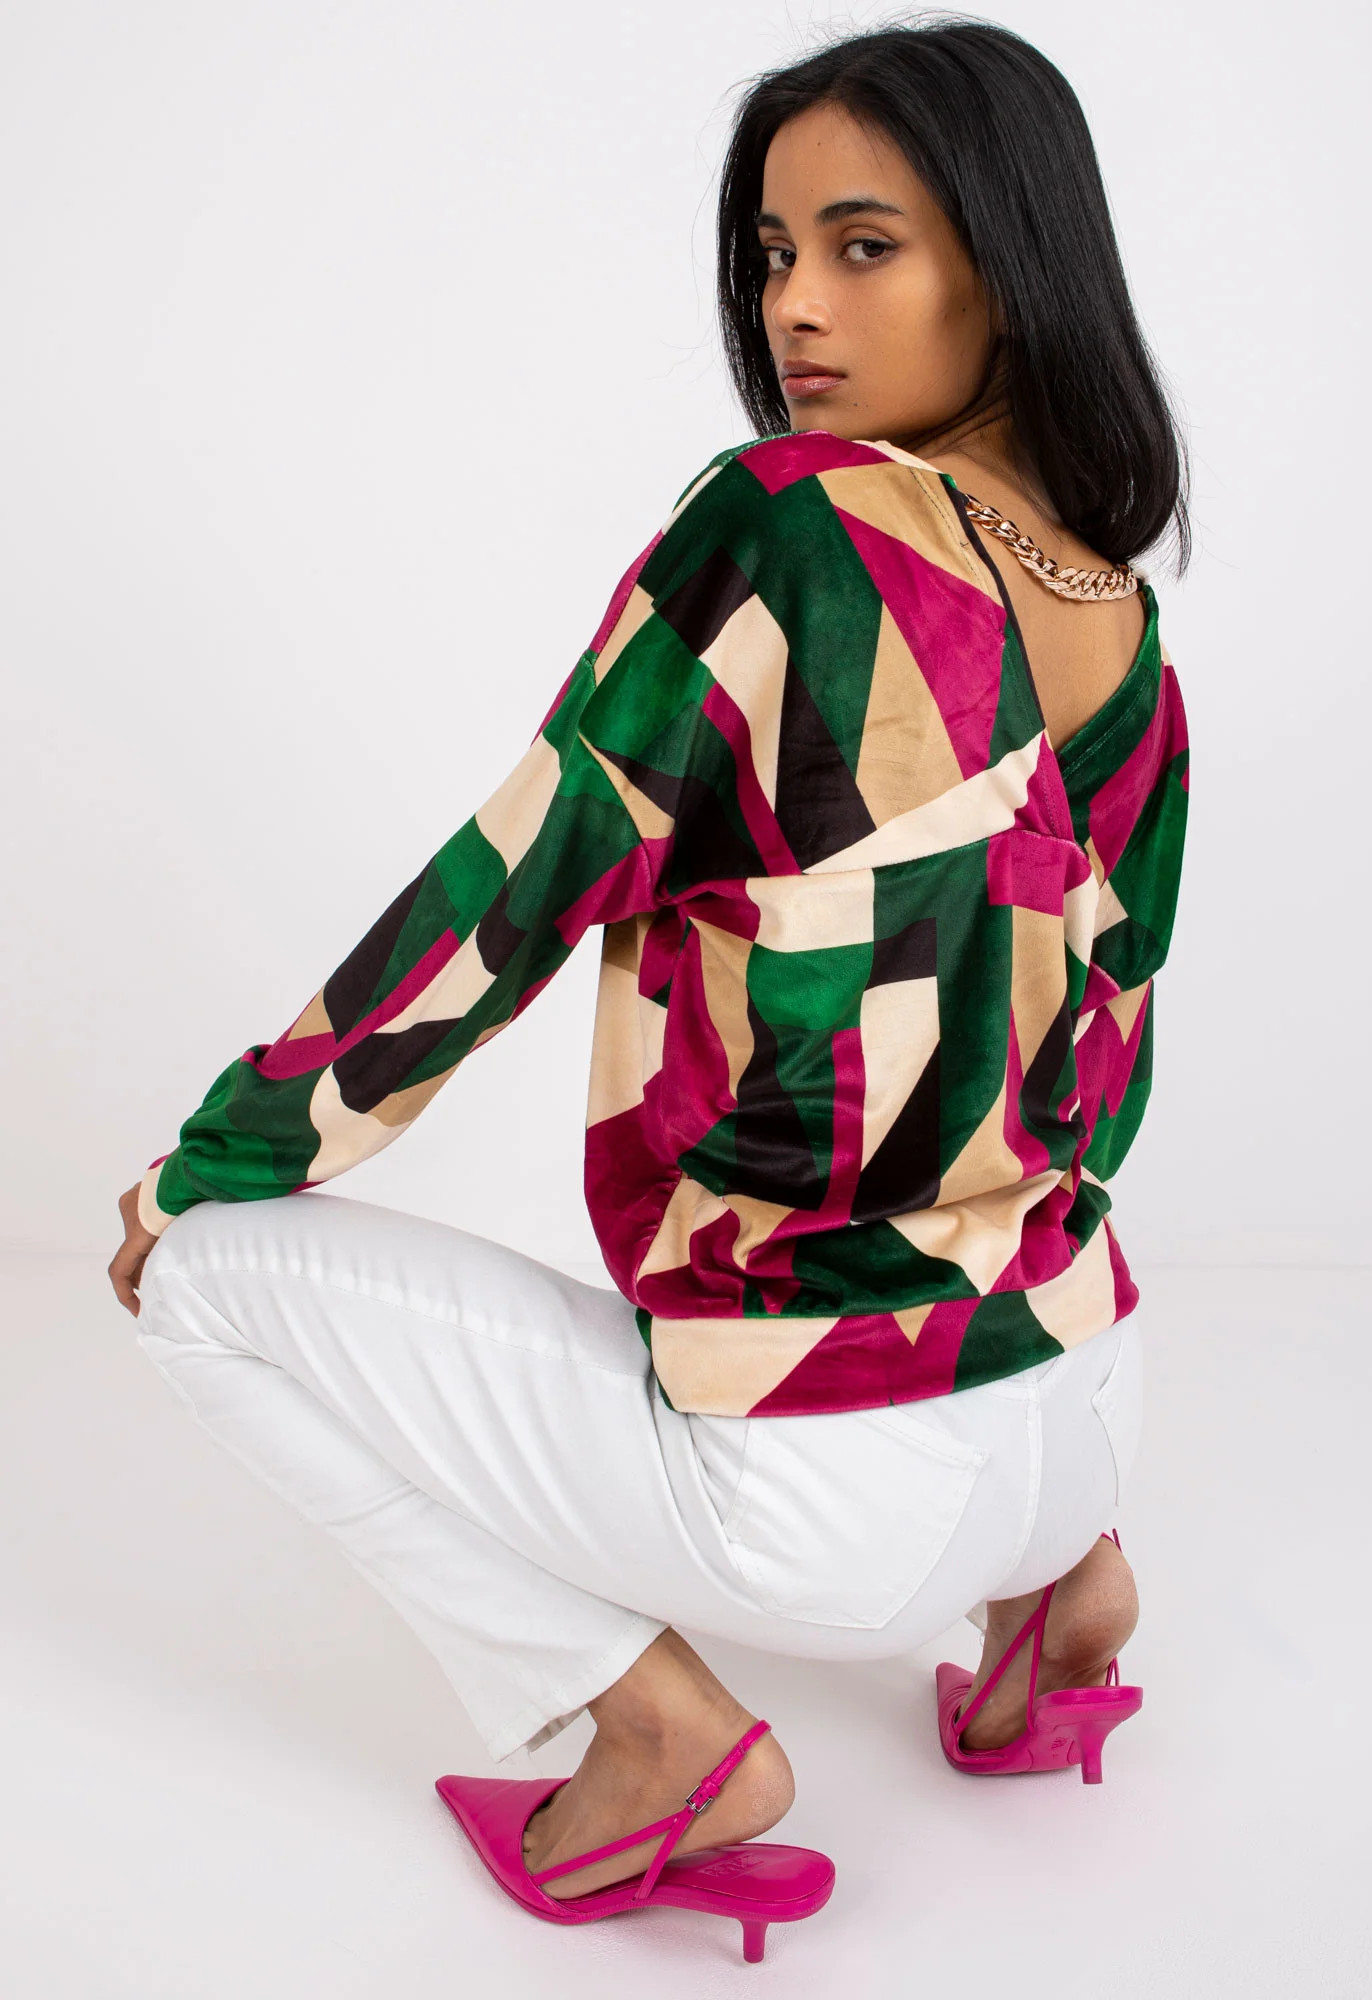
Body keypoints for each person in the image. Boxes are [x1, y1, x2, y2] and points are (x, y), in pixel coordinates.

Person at [108, 16, 1191, 1961]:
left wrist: (228, 1153)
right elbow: (1107, 1048)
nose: (795, 305)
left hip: (833, 1468)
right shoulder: (1123, 610)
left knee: (201, 1288)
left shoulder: (792, 526)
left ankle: (649, 1734)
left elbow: (521, 882)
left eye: (865, 244)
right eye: (774, 253)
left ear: (1012, 260)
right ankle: (1059, 1613)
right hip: (1082, 1402)